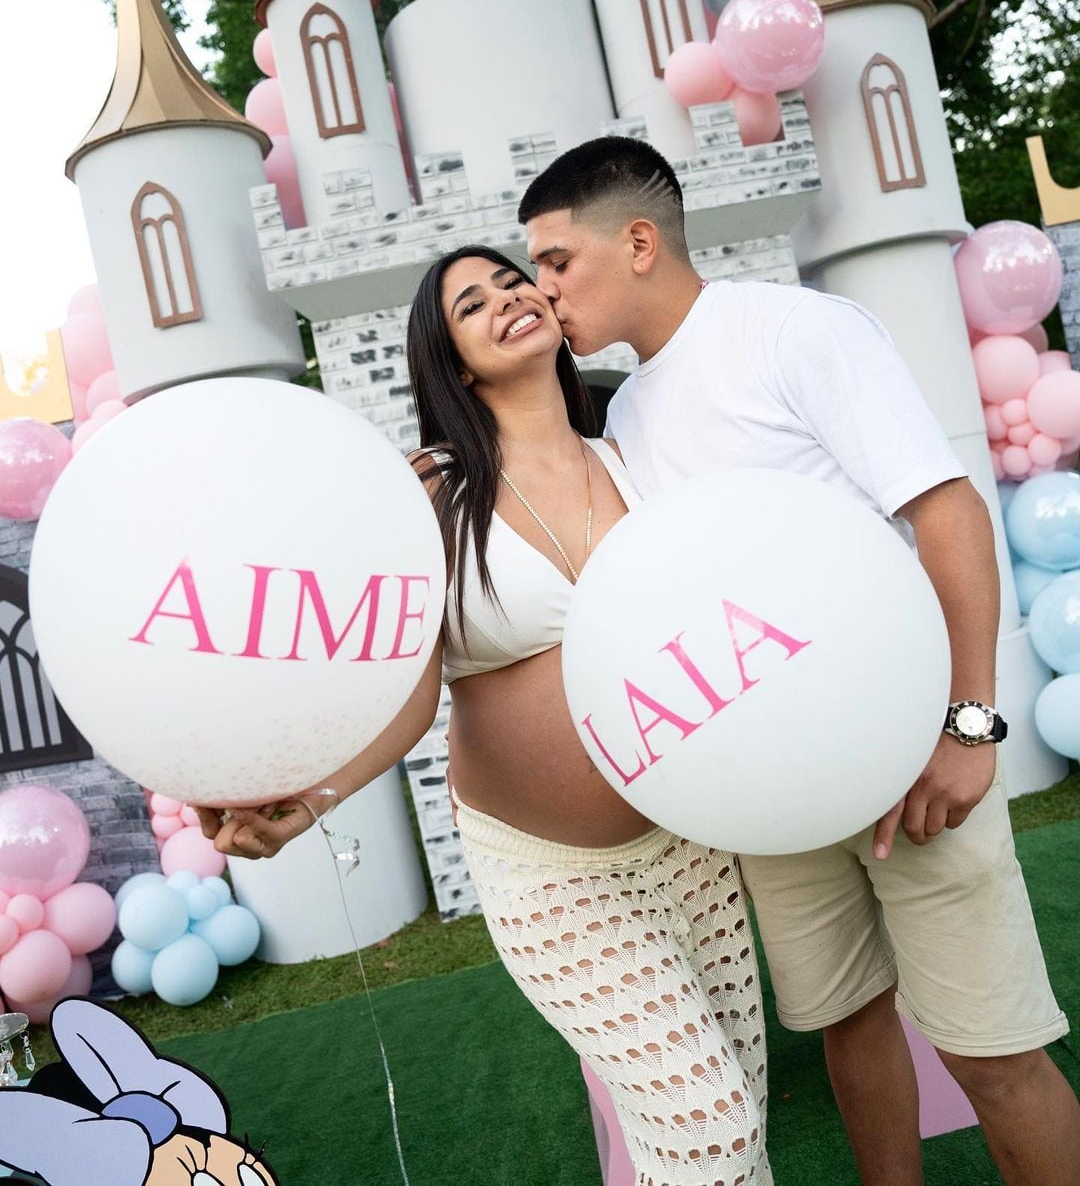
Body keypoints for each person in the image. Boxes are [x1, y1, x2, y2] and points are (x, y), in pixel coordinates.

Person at [517, 136, 1080, 1186]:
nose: (543, 292)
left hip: (906, 752)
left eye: (556, 261)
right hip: (767, 793)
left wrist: (969, 724)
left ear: (638, 241)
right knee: (847, 1027)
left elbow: (947, 510)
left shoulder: (793, 331)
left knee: (990, 1052)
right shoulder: (626, 415)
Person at [198, 245, 772, 1186]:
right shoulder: (431, 492)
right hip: (551, 879)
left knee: (732, 1117)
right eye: (475, 302)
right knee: (706, 1124)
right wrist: (312, 798)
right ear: (455, 361)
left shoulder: (634, 462)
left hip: (692, 845)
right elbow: (412, 687)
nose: (509, 298)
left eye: (514, 281)